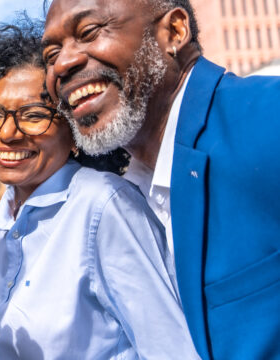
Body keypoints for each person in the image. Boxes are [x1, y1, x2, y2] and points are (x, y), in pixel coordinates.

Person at [0, 22, 197, 359]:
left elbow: (169, 348)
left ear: (76, 128)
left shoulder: (104, 206)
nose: (8, 133)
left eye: (33, 115)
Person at [42, 0, 280, 358]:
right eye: (50, 54)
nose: (62, 64)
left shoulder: (269, 118)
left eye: (89, 32)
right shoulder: (120, 196)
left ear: (174, 32)